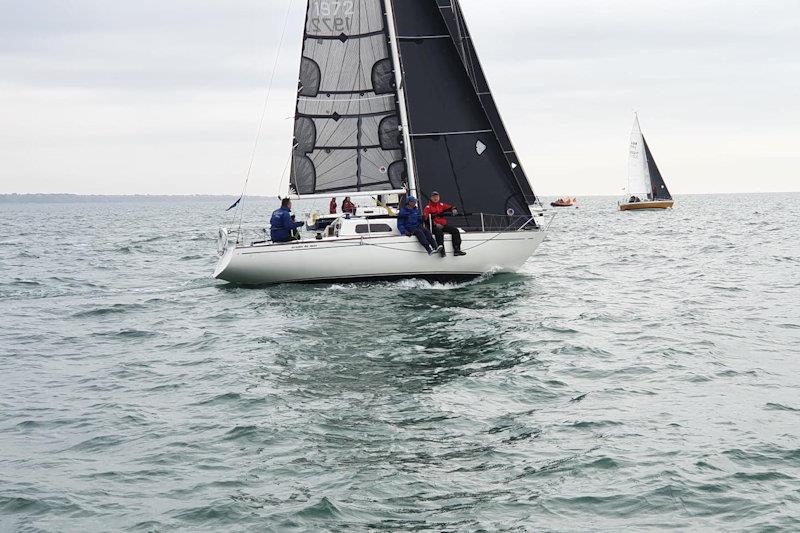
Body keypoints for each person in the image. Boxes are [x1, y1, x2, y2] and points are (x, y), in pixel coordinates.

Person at [423, 191, 466, 257]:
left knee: (455, 230)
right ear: (431, 198)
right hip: (433, 226)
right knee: (439, 232)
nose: (435, 198)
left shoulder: (441, 205)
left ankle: (457, 250)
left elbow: (450, 207)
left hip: (443, 225)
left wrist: (454, 209)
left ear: (439, 197)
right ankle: (442, 251)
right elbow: (425, 219)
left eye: (437, 197)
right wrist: (435, 224)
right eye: (434, 197)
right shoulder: (428, 207)